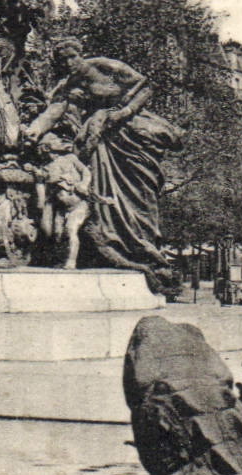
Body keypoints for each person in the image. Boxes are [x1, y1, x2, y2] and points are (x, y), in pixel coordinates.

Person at [24, 38, 185, 291]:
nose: (69, 63)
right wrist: (34, 130)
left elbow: (144, 87)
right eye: (63, 61)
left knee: (140, 192)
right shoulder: (68, 85)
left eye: (72, 57)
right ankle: (113, 245)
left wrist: (123, 112)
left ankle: (144, 247)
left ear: (80, 54)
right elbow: (54, 111)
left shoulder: (104, 66)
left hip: (130, 130)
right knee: (104, 192)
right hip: (101, 139)